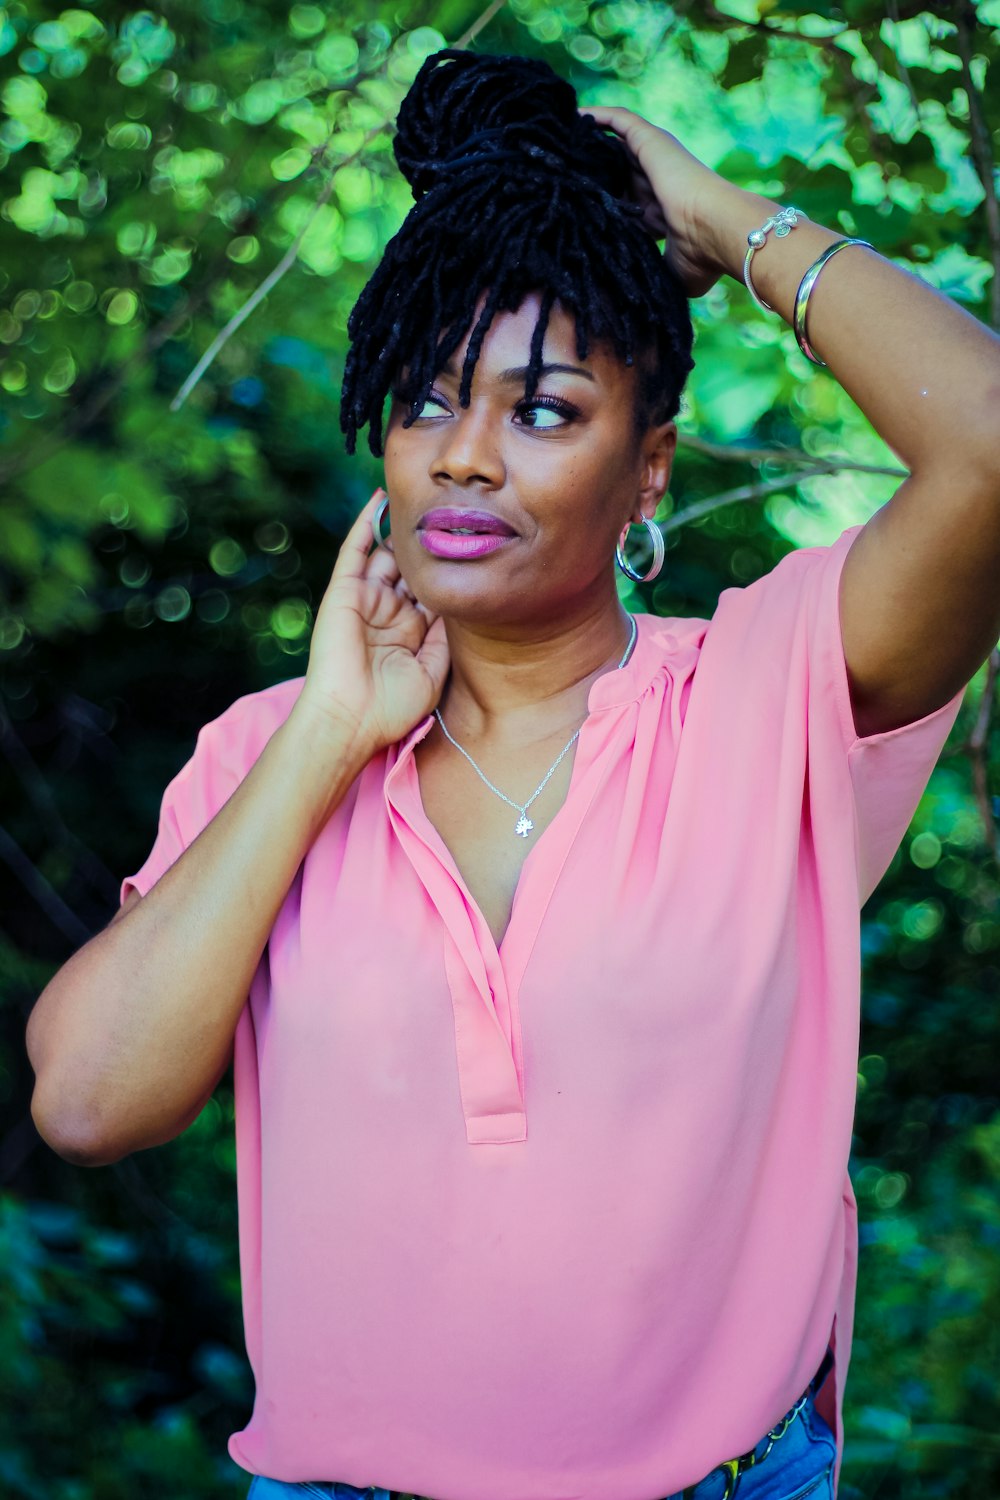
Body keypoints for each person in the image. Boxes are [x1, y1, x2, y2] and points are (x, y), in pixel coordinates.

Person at [25, 46, 1000, 1500]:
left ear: (650, 469)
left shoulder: (764, 699)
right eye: (426, 402)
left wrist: (718, 216)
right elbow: (90, 1100)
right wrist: (328, 737)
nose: (468, 456)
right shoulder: (267, 751)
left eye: (544, 410)